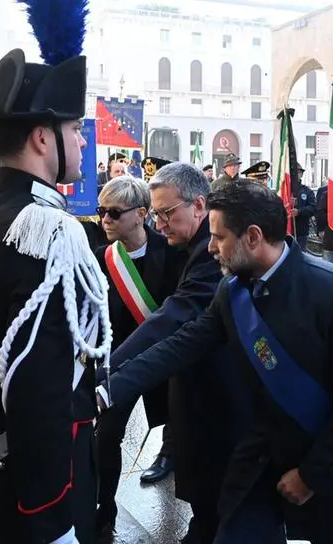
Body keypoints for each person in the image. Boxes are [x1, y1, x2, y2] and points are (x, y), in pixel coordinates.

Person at [97, 179, 333, 544]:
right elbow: (182, 344)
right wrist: (105, 390)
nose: (210, 248)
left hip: (332, 463)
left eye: (219, 237)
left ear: (253, 237)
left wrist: (310, 476)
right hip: (259, 457)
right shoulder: (233, 290)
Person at [0, 0, 111, 540]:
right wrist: (53, 516)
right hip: (40, 494)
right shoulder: (49, 230)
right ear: (42, 136)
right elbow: (41, 386)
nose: (81, 143)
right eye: (73, 131)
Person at [96, 162, 244, 544]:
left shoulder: (204, 252)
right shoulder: (190, 244)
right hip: (166, 364)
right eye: (157, 214)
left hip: (210, 384)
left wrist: (111, 372)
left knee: (218, 491)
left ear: (199, 205)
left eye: (165, 213)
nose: (159, 224)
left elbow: (176, 312)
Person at [92, 175, 185, 540]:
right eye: (102, 211)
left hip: (166, 355)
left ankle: (171, 458)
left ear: (141, 214)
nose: (106, 220)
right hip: (122, 363)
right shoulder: (104, 258)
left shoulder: (173, 251)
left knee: (182, 423)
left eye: (114, 212)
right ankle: (104, 510)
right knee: (106, 435)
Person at [292, 163, 316, 250]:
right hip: (286, 231)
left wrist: (299, 211)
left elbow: (313, 208)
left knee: (300, 255)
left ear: (301, 174)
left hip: (301, 231)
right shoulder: (285, 190)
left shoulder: (307, 191)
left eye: (299, 172)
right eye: (294, 173)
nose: (296, 175)